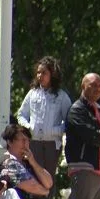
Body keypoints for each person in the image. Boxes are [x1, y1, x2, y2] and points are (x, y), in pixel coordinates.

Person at [17, 56, 72, 187]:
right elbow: (21, 114)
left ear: (52, 75)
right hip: (34, 142)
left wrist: (55, 131)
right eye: (38, 72)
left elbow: (69, 121)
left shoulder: (61, 96)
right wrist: (28, 127)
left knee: (48, 179)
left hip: (52, 144)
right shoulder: (32, 93)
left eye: (44, 73)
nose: (40, 76)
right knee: (33, 177)